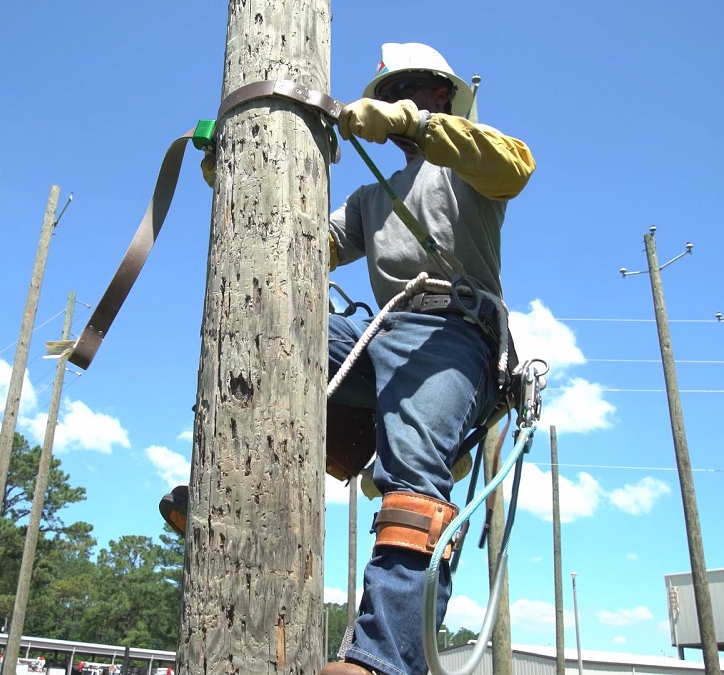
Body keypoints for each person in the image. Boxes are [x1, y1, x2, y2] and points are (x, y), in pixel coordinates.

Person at [168, 43, 536, 675]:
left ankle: (385, 660)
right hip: (381, 336)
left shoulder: (470, 164)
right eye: (389, 93)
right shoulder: (373, 197)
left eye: (410, 91)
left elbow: (517, 168)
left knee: (413, 481)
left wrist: (413, 126)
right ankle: (229, 496)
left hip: (452, 332)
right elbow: (299, 244)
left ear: (442, 95)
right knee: (269, 330)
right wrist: (239, 172)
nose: (395, 103)